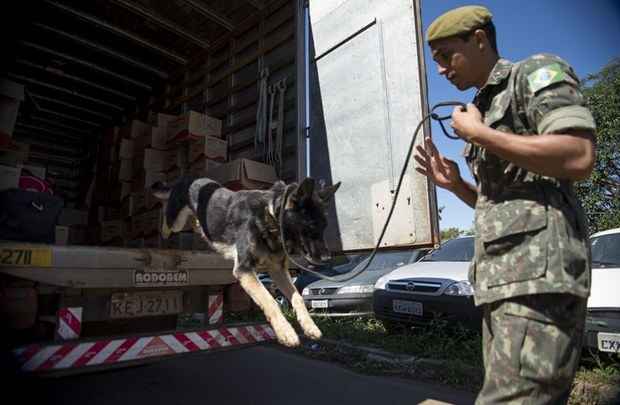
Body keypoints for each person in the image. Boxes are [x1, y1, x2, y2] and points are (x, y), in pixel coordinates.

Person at [414, 5, 597, 404]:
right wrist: (455, 184)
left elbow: (578, 154)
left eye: (447, 56)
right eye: (437, 62)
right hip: (502, 283)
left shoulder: (531, 74)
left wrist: (480, 134)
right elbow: (500, 204)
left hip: (538, 277)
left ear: (479, 40)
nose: (442, 69)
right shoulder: (483, 105)